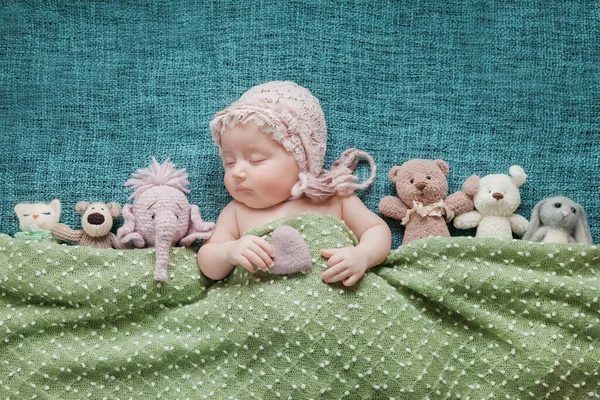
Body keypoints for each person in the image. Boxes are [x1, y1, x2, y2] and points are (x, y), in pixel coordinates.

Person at [197, 81, 391, 286]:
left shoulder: (334, 198)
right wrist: (229, 251)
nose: (237, 172)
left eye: (256, 160)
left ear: (302, 160)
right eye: (229, 162)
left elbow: (376, 229)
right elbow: (208, 263)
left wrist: (363, 255)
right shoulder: (236, 212)